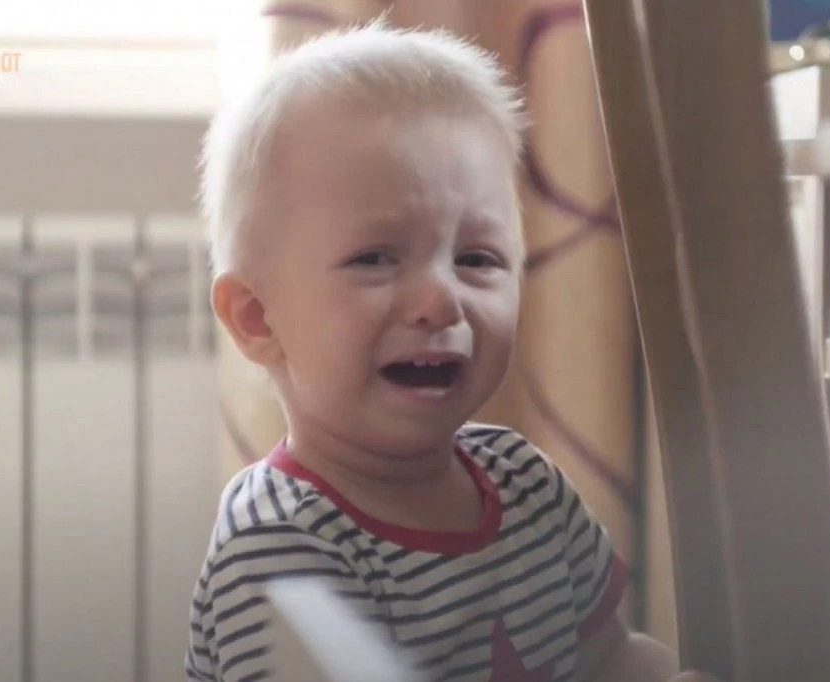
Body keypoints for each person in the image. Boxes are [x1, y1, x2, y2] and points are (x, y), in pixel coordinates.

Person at [186, 19, 699, 682]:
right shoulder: (281, 545)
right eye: (374, 258)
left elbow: (609, 659)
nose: (440, 301)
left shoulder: (527, 484)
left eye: (476, 258)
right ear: (257, 318)